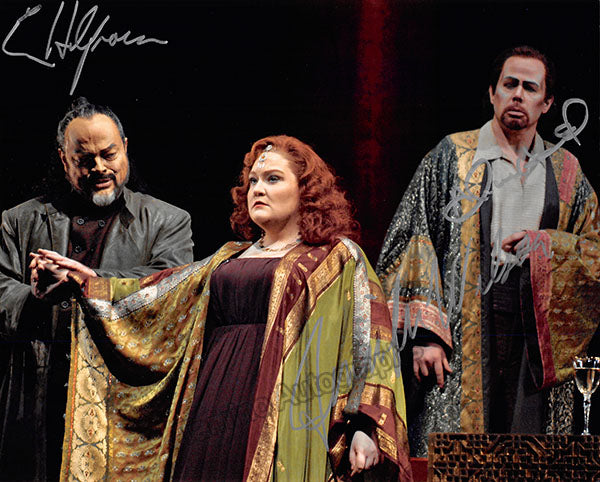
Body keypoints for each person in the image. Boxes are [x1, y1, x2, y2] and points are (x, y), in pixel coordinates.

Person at [39, 135, 412, 480]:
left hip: (287, 410)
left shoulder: (335, 258)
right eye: (253, 181)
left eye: (273, 179)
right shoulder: (228, 256)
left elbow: (371, 342)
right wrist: (89, 282)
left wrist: (365, 425)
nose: (258, 189)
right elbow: (155, 294)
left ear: (306, 190)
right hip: (215, 402)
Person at [377, 46, 600, 456]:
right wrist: (425, 334)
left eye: (530, 88)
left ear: (547, 103)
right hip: (462, 325)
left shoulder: (566, 170)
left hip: (536, 327)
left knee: (528, 448)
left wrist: (548, 247)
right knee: (456, 451)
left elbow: (594, 251)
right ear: (493, 93)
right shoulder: (452, 156)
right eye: (509, 84)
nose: (518, 94)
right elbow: (412, 236)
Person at [0, 97, 194, 480]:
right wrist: (36, 298)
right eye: (84, 159)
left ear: (125, 147)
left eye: (109, 154)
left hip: (122, 402)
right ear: (63, 159)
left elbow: (172, 288)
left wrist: (87, 281)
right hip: (36, 396)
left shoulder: (168, 221)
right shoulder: (18, 221)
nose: (99, 168)